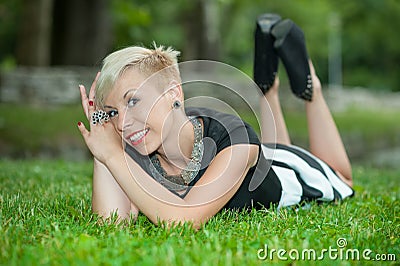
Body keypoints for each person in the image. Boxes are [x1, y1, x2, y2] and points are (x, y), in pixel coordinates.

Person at [77, 14, 354, 229]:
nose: (123, 122)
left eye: (133, 100)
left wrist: (113, 155)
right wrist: (103, 149)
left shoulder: (233, 137)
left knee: (344, 178)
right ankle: (267, 88)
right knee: (270, 147)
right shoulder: (137, 147)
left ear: (173, 93)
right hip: (259, 154)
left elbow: (182, 222)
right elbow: (113, 222)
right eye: (112, 112)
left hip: (288, 171)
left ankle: (312, 89)